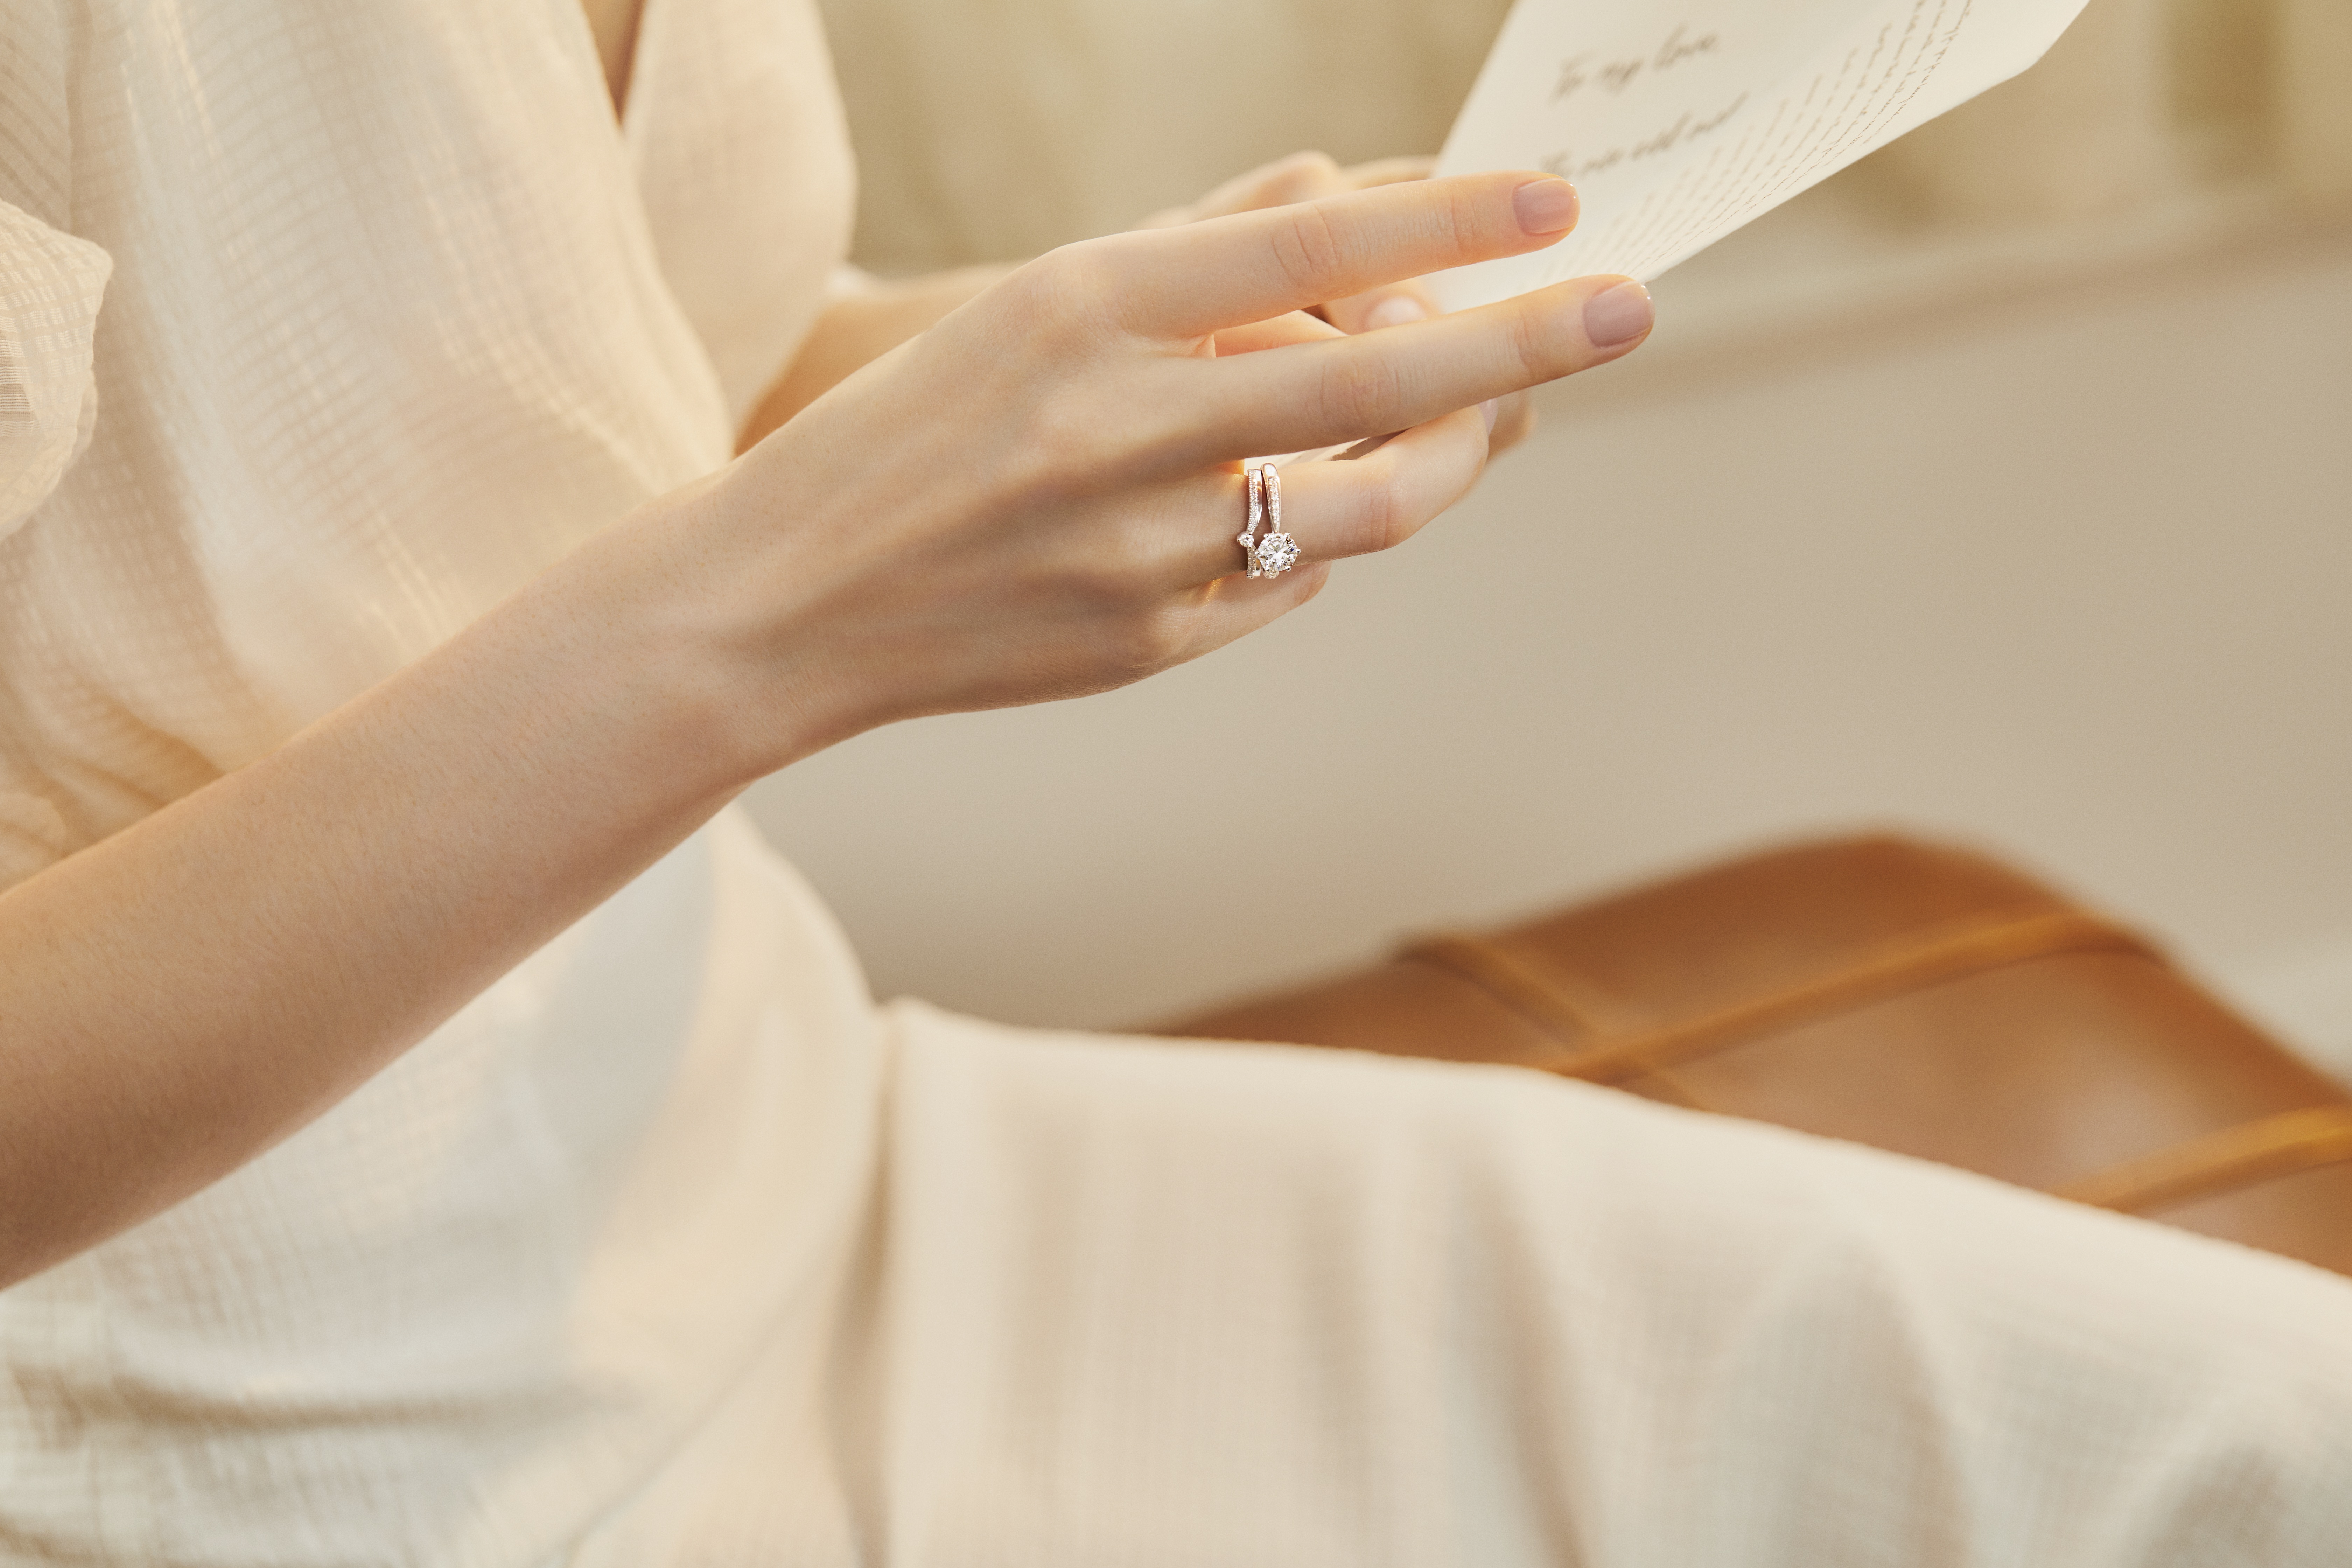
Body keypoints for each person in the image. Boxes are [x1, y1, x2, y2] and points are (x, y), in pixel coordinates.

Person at [5, 2, 2352, 1562]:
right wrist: (764, 630)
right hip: (253, 1462)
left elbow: (571, 397)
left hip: (790, 1177)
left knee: (2270, 1451)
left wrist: (1171, 351)